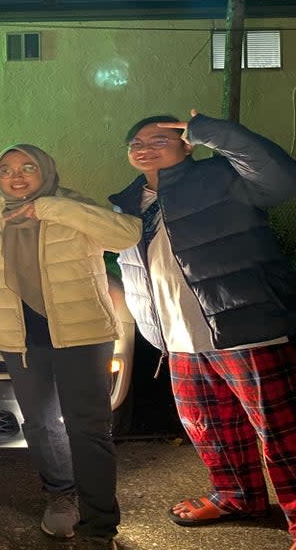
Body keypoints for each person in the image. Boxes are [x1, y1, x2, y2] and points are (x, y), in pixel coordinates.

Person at [109, 109, 296, 550]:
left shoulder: (223, 178)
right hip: (178, 338)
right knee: (210, 427)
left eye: (160, 139)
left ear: (187, 143)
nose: (144, 147)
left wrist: (212, 130)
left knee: (283, 433)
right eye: (136, 141)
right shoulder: (126, 205)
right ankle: (237, 497)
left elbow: (283, 179)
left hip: (248, 327)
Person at [0, 144, 142, 550]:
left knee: (89, 428)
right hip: (21, 336)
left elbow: (127, 235)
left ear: (46, 170)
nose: (16, 176)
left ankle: (99, 524)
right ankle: (61, 495)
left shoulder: (73, 206)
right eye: (6, 170)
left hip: (81, 334)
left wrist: (47, 208)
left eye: (27, 167)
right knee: (40, 423)